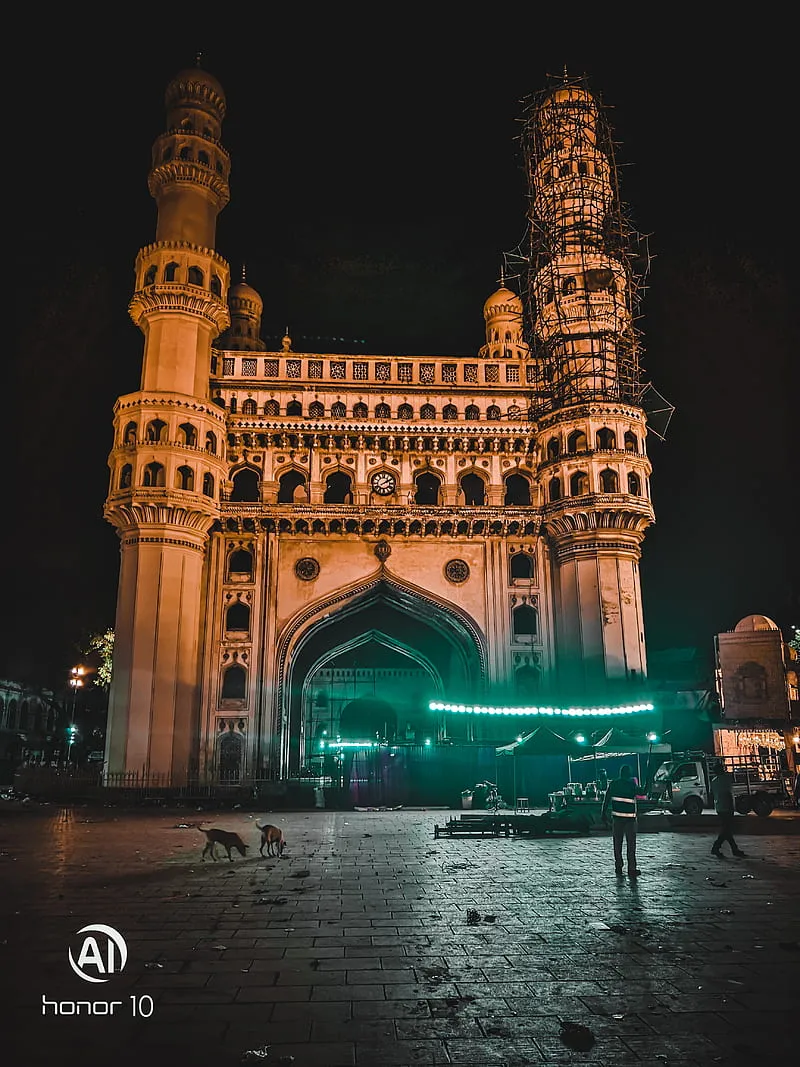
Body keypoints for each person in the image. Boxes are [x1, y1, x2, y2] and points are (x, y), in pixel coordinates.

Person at [601, 765, 640, 877]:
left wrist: (603, 813)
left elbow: (606, 799)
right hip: (630, 820)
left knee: (617, 843)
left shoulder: (613, 784)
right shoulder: (631, 784)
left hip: (617, 819)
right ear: (628, 773)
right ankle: (631, 868)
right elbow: (642, 792)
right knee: (631, 845)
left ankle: (618, 866)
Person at [711, 765, 746, 857]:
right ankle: (716, 847)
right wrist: (732, 806)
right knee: (726, 829)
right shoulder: (725, 780)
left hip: (719, 807)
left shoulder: (714, 781)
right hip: (727, 807)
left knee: (727, 829)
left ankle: (734, 849)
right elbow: (728, 794)